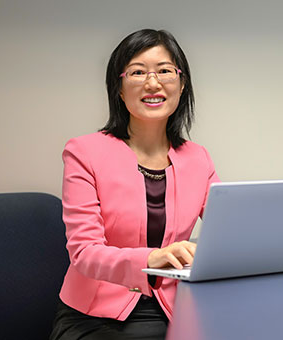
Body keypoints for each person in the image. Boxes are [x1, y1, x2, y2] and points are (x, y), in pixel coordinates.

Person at [50, 29, 219, 340]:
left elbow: (230, 230)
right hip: (96, 316)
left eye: (165, 71)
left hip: (174, 306)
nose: (152, 83)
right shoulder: (84, 151)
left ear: (182, 84)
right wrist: (150, 258)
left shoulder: (198, 158)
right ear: (119, 87)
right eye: (138, 72)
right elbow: (84, 252)